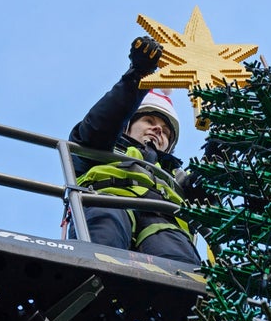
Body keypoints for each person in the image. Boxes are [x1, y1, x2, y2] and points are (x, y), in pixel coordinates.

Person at [69, 37, 201, 267]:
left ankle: (180, 294)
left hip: (163, 221)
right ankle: (92, 274)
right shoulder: (102, 147)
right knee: (105, 230)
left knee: (177, 255)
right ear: (129, 124)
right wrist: (138, 76)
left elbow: (209, 192)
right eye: (149, 120)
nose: (158, 129)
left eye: (166, 132)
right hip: (108, 201)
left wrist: (220, 151)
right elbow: (102, 123)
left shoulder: (176, 177)